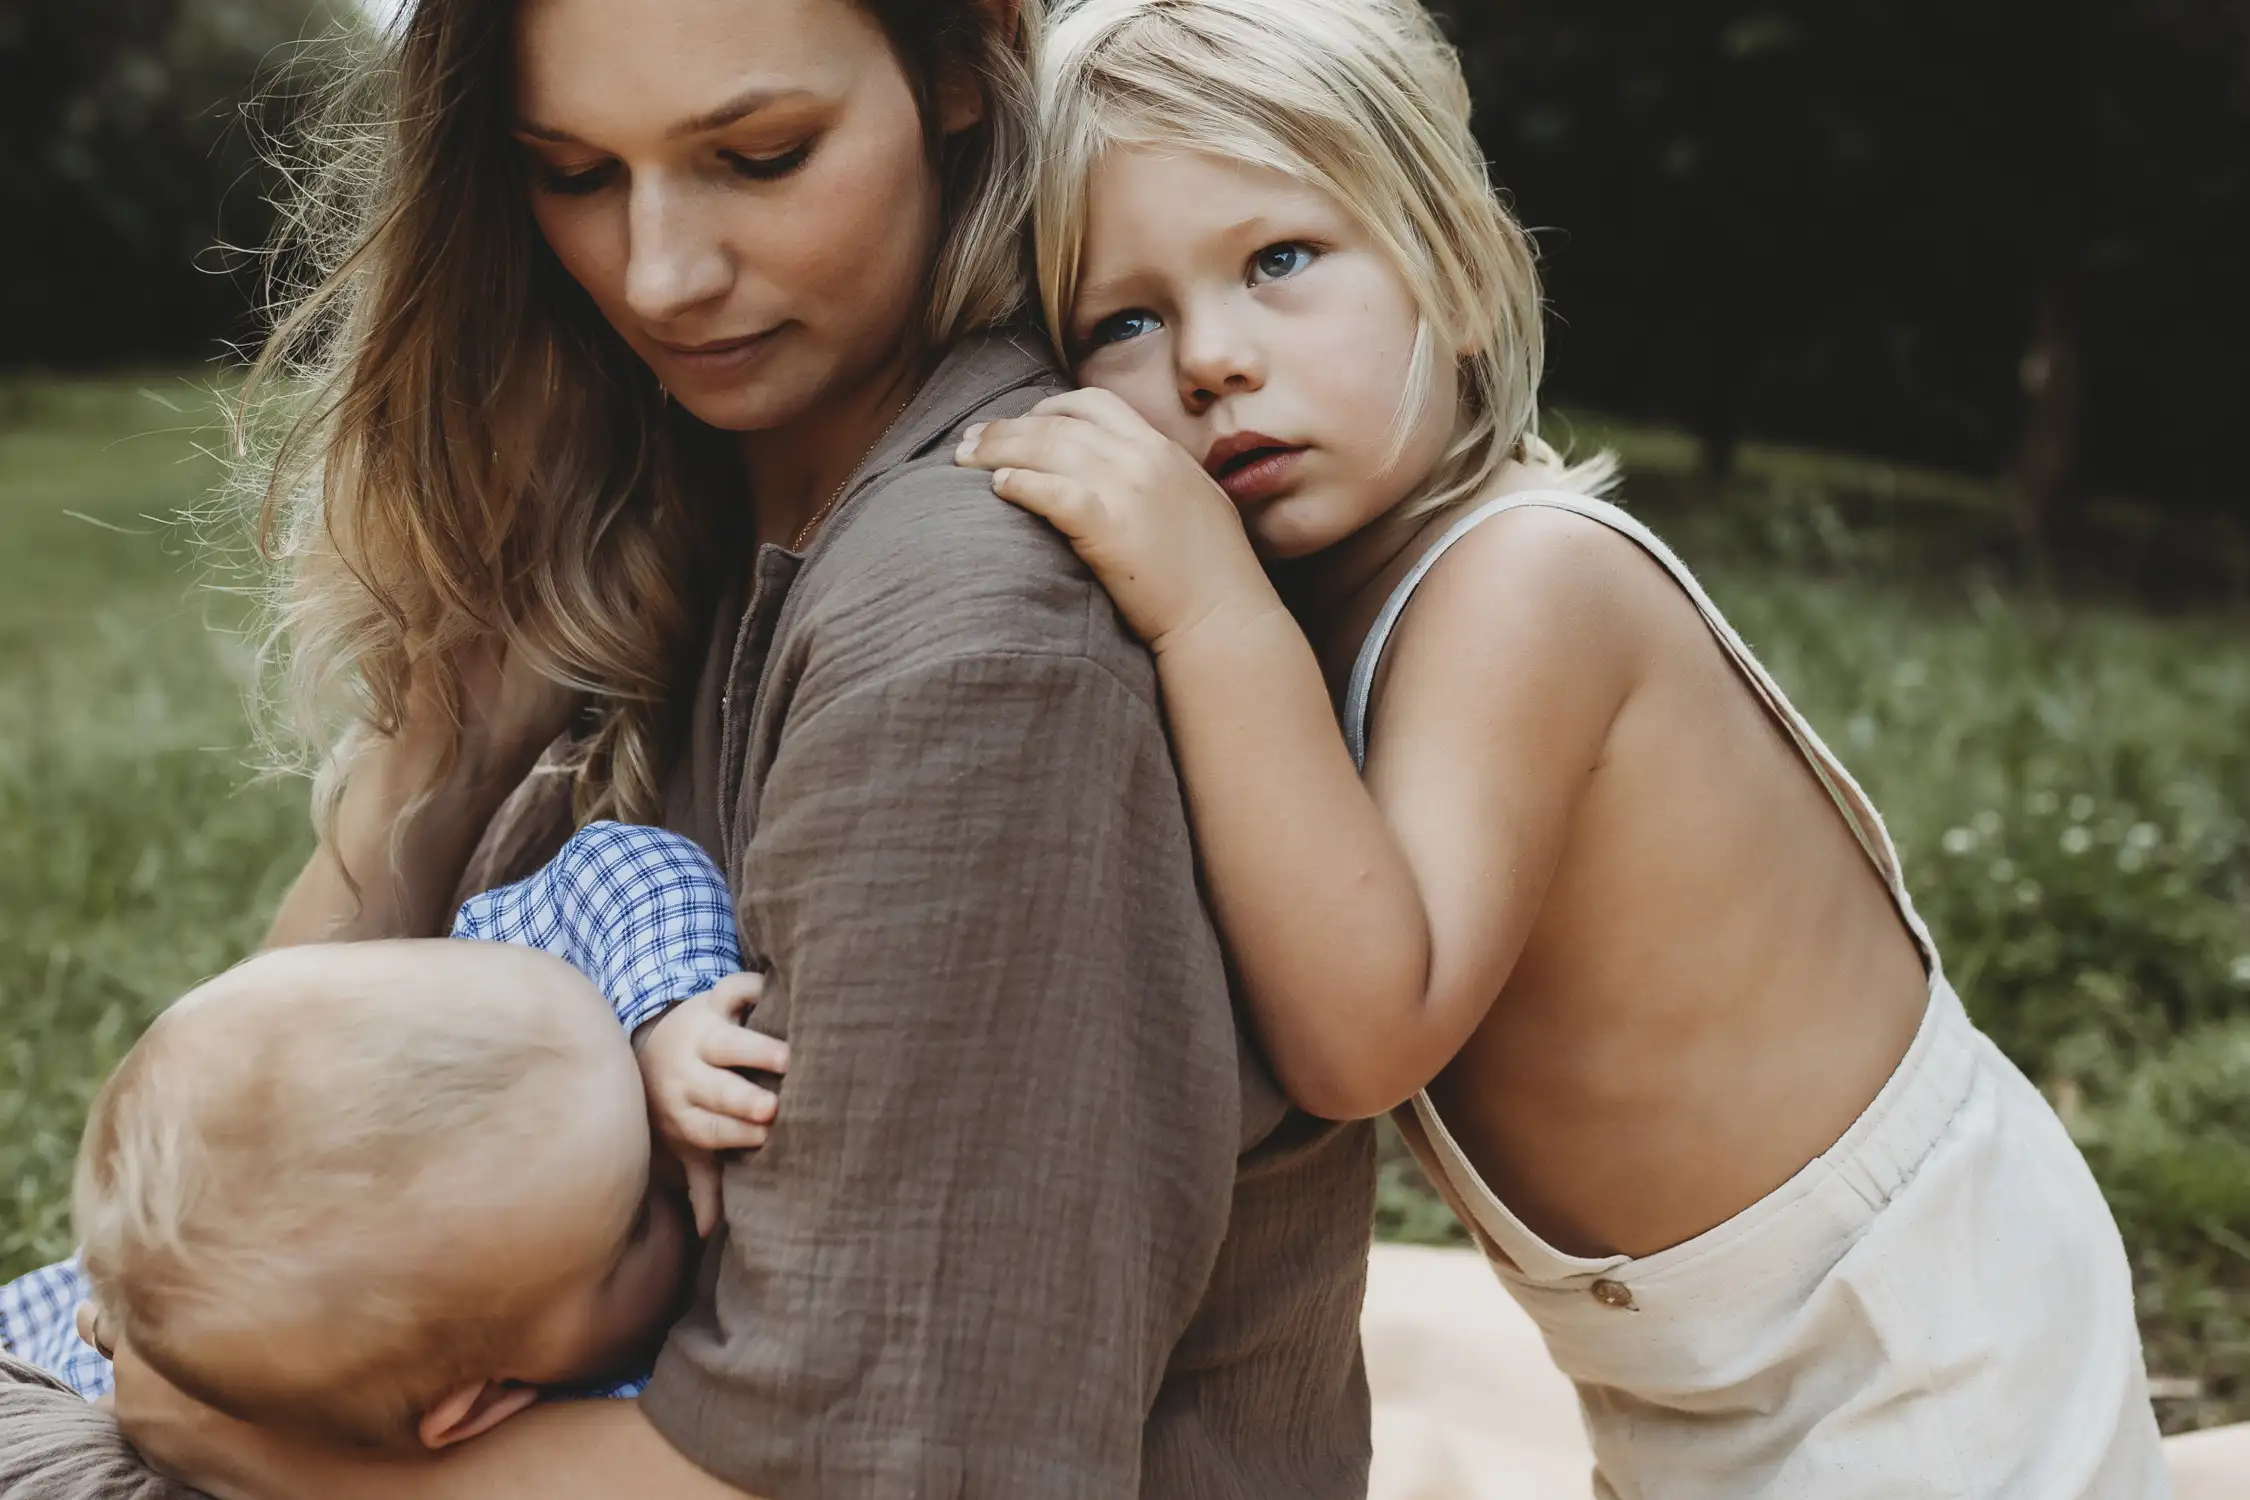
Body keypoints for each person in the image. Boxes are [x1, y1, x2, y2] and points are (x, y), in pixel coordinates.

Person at [0, 0, 1374, 1496]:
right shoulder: (669, 492)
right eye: (574, 173)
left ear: (958, 65)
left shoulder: (975, 639)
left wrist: (224, 1431)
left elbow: (880, 1470)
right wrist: (452, 724)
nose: (658, 276)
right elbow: (263, 1147)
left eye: (761, 156)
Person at [954, 0, 2171, 1494]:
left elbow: (1361, 1035)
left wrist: (1208, 608)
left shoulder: (1524, 586)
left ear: (1462, 275)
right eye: (1122, 322)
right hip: (1683, 1376)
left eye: (1279, 260)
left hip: (1912, 1336)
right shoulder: (1328, 603)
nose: (1210, 358)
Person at [0, 822, 769, 1440]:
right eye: (636, 1227)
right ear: (478, 1405)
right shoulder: (577, 1424)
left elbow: (619, 864)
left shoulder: (530, 1016)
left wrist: (654, 1021)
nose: (667, 1161)